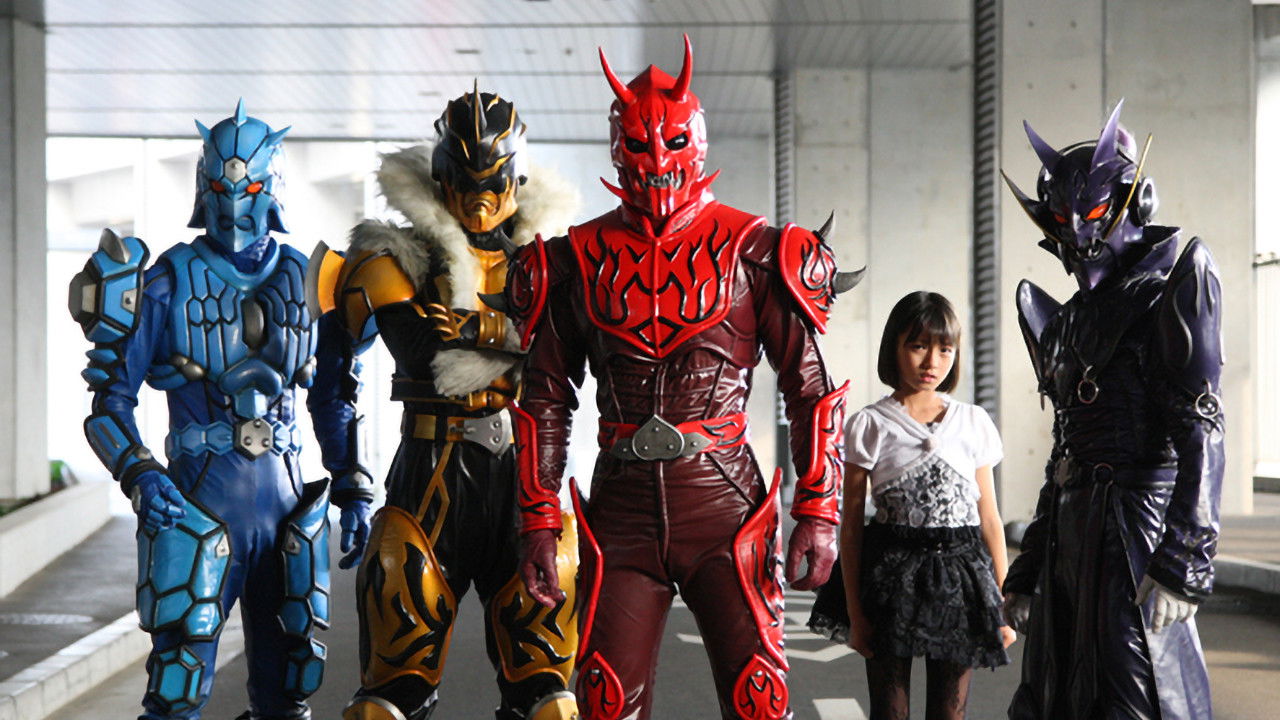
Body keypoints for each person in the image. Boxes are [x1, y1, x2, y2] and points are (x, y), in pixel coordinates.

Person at [505, 35, 859, 720]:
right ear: (618, 148)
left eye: (672, 143)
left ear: (697, 142)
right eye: (641, 146)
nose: (659, 163)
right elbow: (545, 396)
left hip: (724, 502)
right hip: (621, 508)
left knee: (759, 702)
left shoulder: (757, 252)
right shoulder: (574, 260)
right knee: (606, 703)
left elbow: (810, 389)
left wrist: (819, 509)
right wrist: (539, 518)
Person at [69, 101, 372, 720]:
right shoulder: (164, 282)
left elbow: (333, 397)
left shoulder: (312, 281)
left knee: (290, 690)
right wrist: (141, 474)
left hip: (288, 513)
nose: (234, 202)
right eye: (221, 187)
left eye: (250, 188)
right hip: (196, 509)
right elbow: (109, 403)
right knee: (176, 691)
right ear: (203, 188)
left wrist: (353, 484)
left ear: (272, 188)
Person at [310, 87, 582, 720]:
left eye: (493, 181)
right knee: (389, 696)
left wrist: (483, 330)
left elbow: (580, 357)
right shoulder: (390, 258)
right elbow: (346, 376)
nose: (479, 198)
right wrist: (347, 478)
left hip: (525, 481)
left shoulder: (554, 264)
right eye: (466, 180)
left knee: (548, 696)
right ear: (442, 177)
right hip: (430, 474)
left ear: (516, 177)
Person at [1000, 101, 1222, 720]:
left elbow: (1202, 433)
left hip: (1135, 528)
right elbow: (1065, 451)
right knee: (1056, 695)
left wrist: (1183, 560)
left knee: (1134, 694)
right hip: (1072, 532)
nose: (1077, 233)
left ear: (1134, 202)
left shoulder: (1164, 300)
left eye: (1093, 214)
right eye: (1062, 219)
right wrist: (1031, 565)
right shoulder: (1065, 321)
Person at [808, 291, 1015, 720]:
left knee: (949, 711)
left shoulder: (973, 422)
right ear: (894, 348)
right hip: (892, 576)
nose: (931, 362)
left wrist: (1004, 602)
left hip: (961, 577)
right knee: (890, 710)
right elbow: (852, 527)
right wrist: (855, 614)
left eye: (945, 349)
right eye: (918, 346)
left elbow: (990, 520)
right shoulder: (870, 424)